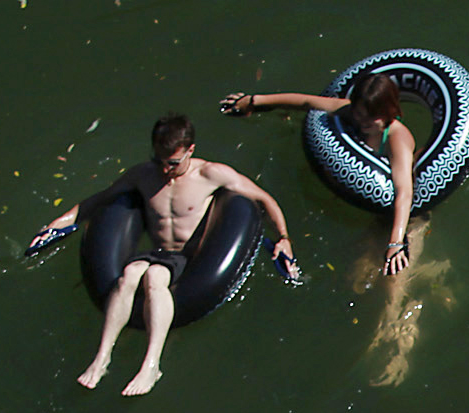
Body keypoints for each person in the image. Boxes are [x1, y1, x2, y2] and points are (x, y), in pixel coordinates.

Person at [28, 114, 298, 396]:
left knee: (155, 276)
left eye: (173, 163)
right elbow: (99, 200)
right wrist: (59, 223)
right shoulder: (142, 175)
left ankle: (151, 365)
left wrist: (284, 238)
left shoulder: (211, 175)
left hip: (192, 259)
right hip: (159, 252)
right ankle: (101, 357)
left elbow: (265, 199)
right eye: (159, 161)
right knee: (129, 275)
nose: (166, 170)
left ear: (190, 151)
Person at [221, 76, 440, 384]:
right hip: (373, 215)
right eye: (358, 113)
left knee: (391, 286)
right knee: (358, 278)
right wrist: (255, 102)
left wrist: (395, 243)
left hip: (407, 221)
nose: (360, 121)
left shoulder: (397, 138)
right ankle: (433, 273)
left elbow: (404, 192)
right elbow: (306, 102)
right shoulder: (351, 112)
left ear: (388, 114)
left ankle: (395, 343)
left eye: (368, 117)